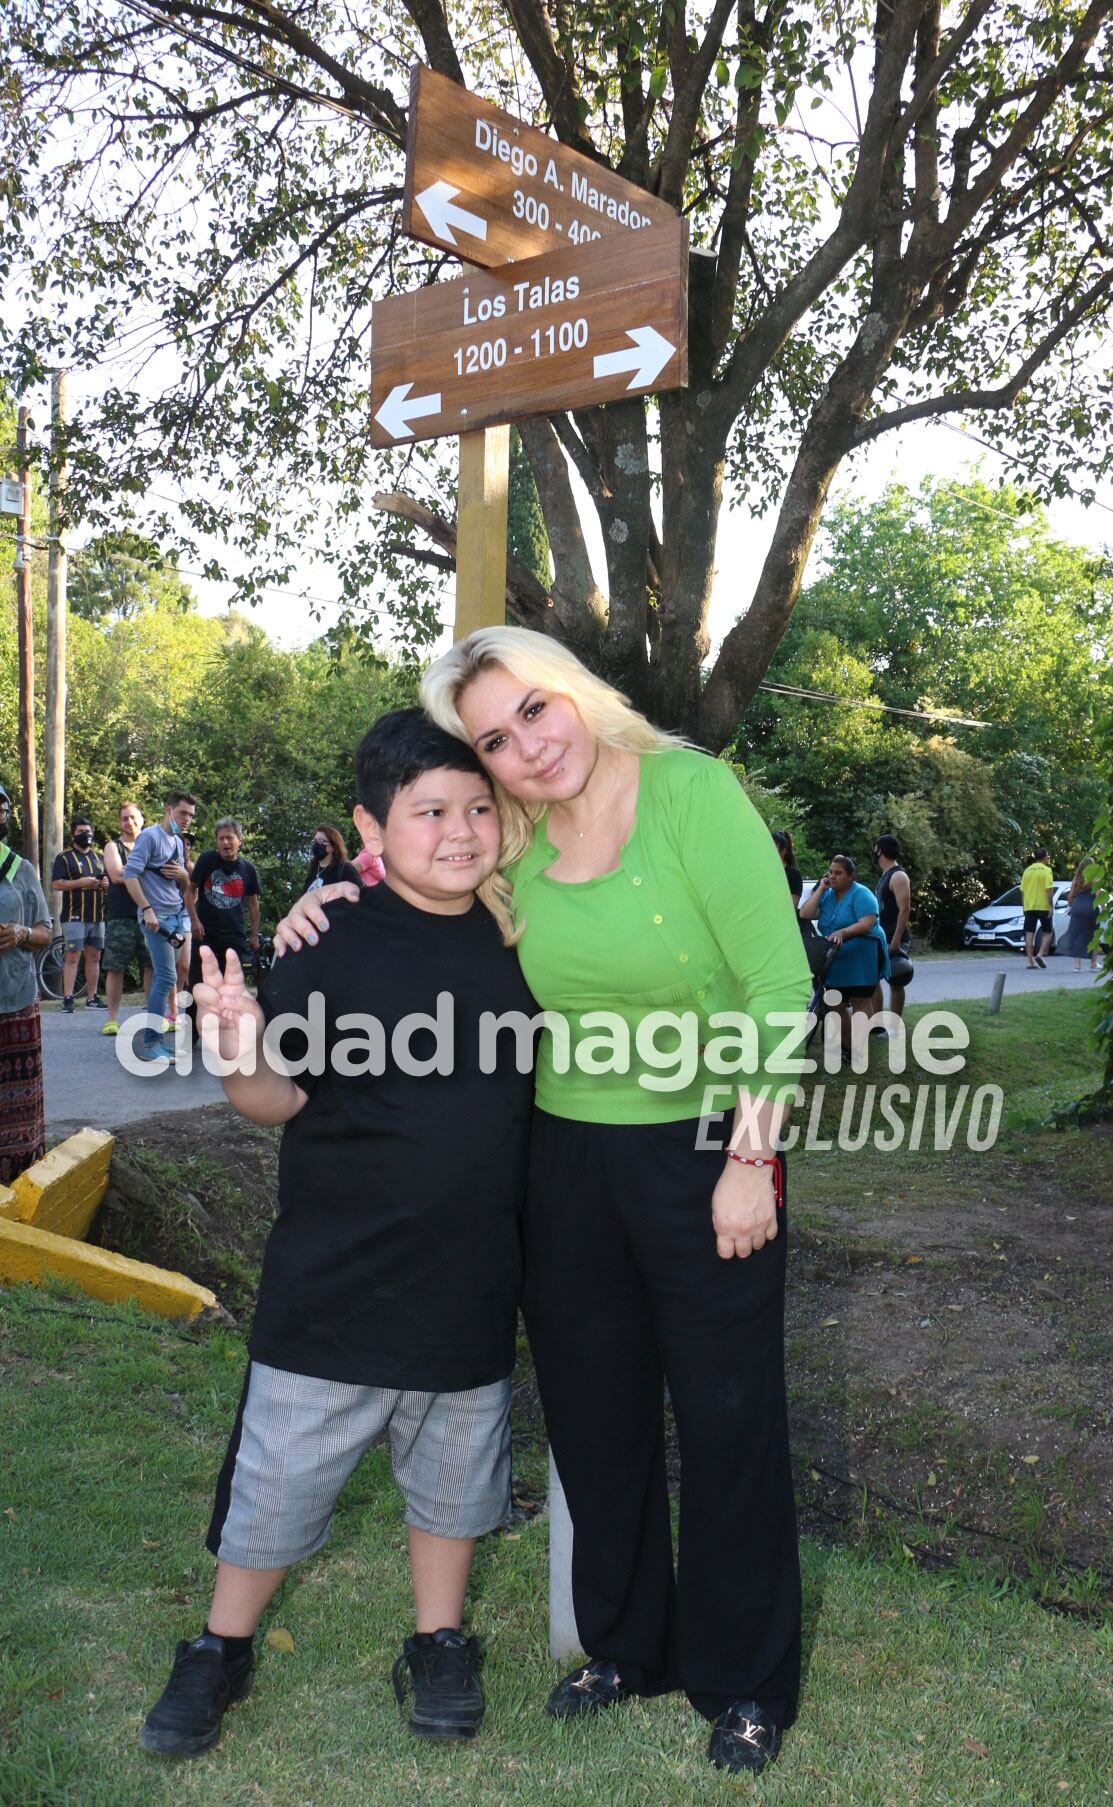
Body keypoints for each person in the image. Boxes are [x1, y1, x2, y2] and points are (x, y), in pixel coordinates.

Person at [278, 629, 812, 1778]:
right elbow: (422, 874)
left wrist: (750, 1156)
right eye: (495, 738)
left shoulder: (685, 789)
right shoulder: (513, 832)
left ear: (573, 691)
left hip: (707, 1148)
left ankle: (747, 1680)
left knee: (727, 1421)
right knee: (596, 1416)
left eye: (534, 709)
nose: (526, 745)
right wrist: (325, 900)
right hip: (562, 1158)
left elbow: (778, 988)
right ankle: (625, 1647)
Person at [138, 710, 534, 1761]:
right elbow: (275, 1096)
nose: (459, 830)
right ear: (372, 825)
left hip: (470, 1279)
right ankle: (221, 1645)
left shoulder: (519, 933)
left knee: (454, 1480)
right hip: (335, 1283)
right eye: (430, 811)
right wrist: (235, 1046)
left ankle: (438, 1638)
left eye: (477, 808)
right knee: (278, 1477)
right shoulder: (333, 938)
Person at [0, 781, 52, 1184]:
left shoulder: (20, 870)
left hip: (14, 1003)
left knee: (18, 1102)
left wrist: (19, 933)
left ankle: (19, 1177)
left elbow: (45, 933)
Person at [122, 789, 197, 1063]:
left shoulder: (177, 842)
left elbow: (185, 886)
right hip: (157, 920)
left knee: (172, 977)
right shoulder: (149, 837)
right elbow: (129, 875)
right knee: (166, 978)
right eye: (182, 813)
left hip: (176, 916)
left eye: (190, 815)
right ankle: (151, 1044)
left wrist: (184, 876)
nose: (187, 819)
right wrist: (147, 909)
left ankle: (158, 1043)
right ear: (168, 809)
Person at [798, 854, 889, 1049]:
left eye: (838, 873)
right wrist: (821, 887)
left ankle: (858, 1050)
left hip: (861, 957)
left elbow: (866, 923)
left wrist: (843, 932)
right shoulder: (827, 895)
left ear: (850, 876)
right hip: (836, 957)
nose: (832, 876)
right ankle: (849, 1046)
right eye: (830, 872)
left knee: (860, 1002)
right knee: (835, 1004)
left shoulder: (862, 894)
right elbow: (805, 913)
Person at [185, 819, 261, 1039]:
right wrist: (195, 921)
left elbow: (253, 904)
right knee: (197, 987)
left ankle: (232, 1032)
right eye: (221, 838)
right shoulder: (207, 860)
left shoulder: (248, 869)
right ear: (216, 842)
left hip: (234, 937)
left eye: (230, 837)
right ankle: (189, 1037)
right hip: (206, 935)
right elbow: (189, 892)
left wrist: (254, 934)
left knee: (231, 989)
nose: (226, 842)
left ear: (239, 841)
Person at [101, 801, 152, 1037]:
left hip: (150, 915)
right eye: (124, 818)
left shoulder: (152, 842)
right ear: (119, 822)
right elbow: (117, 874)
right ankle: (112, 1019)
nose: (129, 822)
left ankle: (154, 1017)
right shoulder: (112, 847)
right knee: (115, 968)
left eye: (133, 817)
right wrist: (148, 874)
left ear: (141, 818)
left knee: (153, 966)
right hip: (121, 916)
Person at [51, 815, 108, 1014]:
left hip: (97, 916)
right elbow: (56, 884)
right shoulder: (64, 857)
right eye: (81, 832)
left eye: (88, 831)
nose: (86, 835)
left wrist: (106, 884)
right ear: (73, 835)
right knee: (73, 956)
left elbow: (107, 880)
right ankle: (68, 999)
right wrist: (82, 882)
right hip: (74, 916)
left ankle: (92, 998)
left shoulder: (100, 858)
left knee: (94, 957)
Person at [871, 833, 913, 1019]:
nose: (874, 851)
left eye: (875, 848)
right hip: (881, 937)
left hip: (894, 938)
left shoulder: (898, 876)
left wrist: (896, 940)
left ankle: (895, 1027)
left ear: (880, 850)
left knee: (896, 981)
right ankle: (878, 1023)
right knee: (872, 980)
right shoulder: (885, 876)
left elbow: (905, 909)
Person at [1020, 846, 1054, 969]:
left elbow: (1022, 891)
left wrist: (1024, 906)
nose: (1049, 858)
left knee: (1029, 933)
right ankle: (1039, 954)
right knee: (1048, 932)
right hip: (1043, 906)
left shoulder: (1027, 871)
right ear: (1045, 857)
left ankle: (1030, 962)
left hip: (1029, 906)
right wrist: (1050, 905)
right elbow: (1049, 890)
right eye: (1048, 856)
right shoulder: (1046, 871)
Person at [302, 823, 361, 894]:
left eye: (321, 841)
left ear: (333, 846)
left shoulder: (345, 869)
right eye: (314, 841)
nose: (316, 844)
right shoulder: (313, 871)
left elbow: (362, 895)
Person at [1064, 855, 1099, 973]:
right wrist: (1104, 909)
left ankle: (1077, 966)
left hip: (1077, 908)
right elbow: (1099, 896)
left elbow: (1070, 896)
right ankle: (1093, 964)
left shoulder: (1076, 878)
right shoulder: (1095, 878)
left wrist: (1069, 907)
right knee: (1094, 935)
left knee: (1077, 934)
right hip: (1091, 909)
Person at [771, 828, 803, 909]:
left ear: (783, 851)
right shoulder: (763, 872)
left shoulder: (794, 874)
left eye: (773, 847)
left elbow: (792, 905)